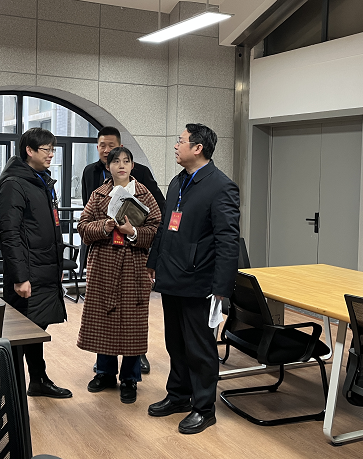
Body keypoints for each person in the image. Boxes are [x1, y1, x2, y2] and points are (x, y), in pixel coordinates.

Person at [146, 123, 240, 434]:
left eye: (181, 141)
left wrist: (222, 288)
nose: (176, 145)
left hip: (200, 281)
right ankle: (178, 395)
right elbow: (165, 227)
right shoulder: (178, 181)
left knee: (199, 348)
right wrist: (153, 262)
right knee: (175, 343)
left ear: (198, 148)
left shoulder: (221, 186)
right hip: (172, 276)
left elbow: (228, 240)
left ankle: (203, 408)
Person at [77, 147, 161, 404]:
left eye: (126, 161)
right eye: (116, 162)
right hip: (104, 264)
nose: (121, 165)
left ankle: (130, 378)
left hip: (134, 264)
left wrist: (132, 231)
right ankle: (104, 373)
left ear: (133, 166)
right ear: (108, 167)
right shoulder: (98, 194)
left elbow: (156, 229)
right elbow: (82, 227)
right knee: (105, 319)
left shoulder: (145, 194)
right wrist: (104, 227)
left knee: (132, 322)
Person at [0, 128, 72, 399]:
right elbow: (10, 234)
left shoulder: (41, 181)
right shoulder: (14, 184)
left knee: (36, 328)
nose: (51, 154)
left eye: (53, 149)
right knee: (20, 335)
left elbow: (52, 227)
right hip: (28, 273)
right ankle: (7, 390)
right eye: (46, 149)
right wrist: (20, 277)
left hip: (45, 268)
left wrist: (58, 267)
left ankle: (38, 380)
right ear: (29, 151)